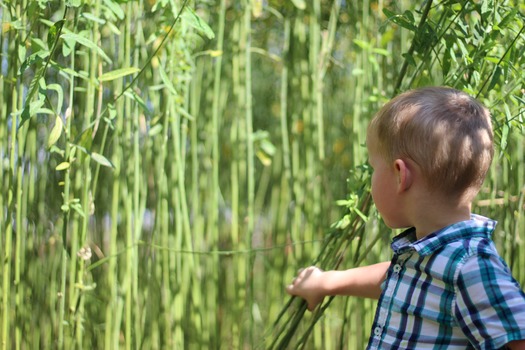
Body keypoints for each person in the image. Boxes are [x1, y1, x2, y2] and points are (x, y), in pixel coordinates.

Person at [286, 87, 525, 349]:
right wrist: (328, 282)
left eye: (374, 167)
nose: (371, 180)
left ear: (401, 175)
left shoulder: (471, 266)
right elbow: (400, 278)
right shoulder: (434, 252)